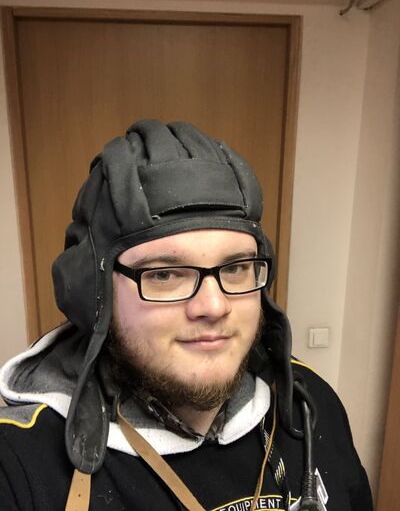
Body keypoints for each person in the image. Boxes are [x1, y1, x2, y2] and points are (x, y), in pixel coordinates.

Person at [0, 120, 372, 511]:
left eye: (235, 267)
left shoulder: (310, 407)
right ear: (94, 293)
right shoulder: (20, 465)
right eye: (164, 274)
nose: (214, 306)